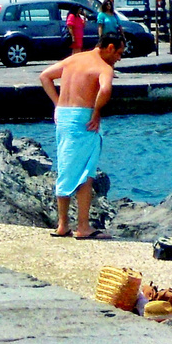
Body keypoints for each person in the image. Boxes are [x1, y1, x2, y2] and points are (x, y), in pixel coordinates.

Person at [38, 28, 124, 240]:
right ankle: (83, 226)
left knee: (66, 167)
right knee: (85, 173)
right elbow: (105, 90)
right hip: (82, 119)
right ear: (110, 48)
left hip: (64, 118)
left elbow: (45, 76)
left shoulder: (73, 60)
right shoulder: (103, 67)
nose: (119, 59)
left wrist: (57, 104)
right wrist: (96, 112)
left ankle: (62, 224)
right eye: (119, 53)